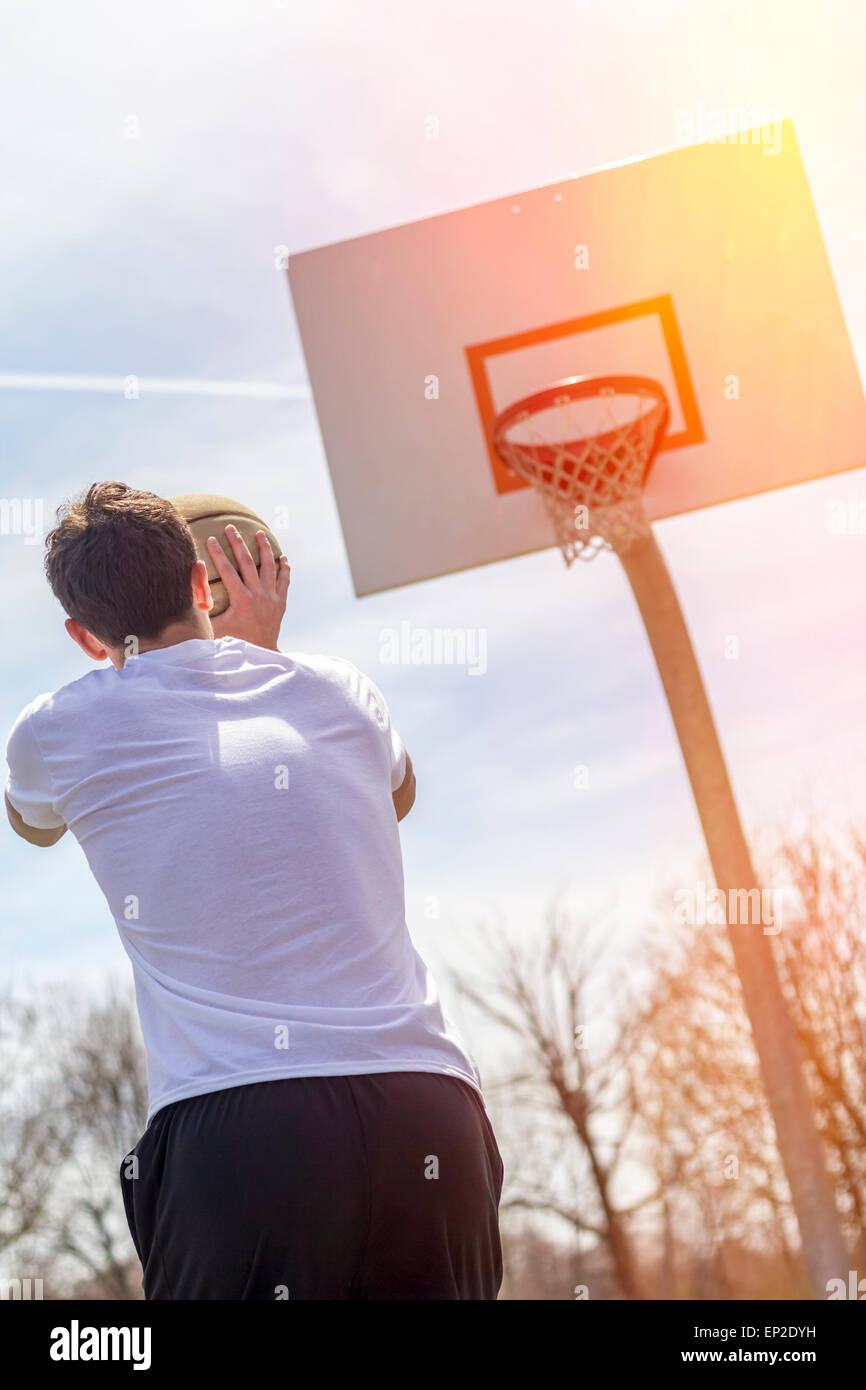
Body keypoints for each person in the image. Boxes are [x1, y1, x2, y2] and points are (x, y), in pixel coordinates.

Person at [4, 481, 503, 1300]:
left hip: (243, 1127)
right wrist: (259, 659)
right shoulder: (342, 690)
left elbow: (32, 824)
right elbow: (396, 795)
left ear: (83, 637)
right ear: (201, 584)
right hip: (430, 1107)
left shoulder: (54, 730)